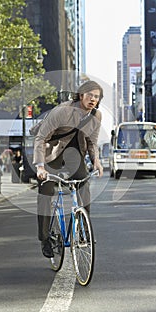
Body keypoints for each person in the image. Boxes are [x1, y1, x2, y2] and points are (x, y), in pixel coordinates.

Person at [33, 80, 104, 258]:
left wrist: (96, 160)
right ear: (81, 95)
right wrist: (40, 167)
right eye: (90, 95)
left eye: (97, 96)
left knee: (84, 184)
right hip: (52, 152)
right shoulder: (62, 111)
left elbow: (92, 142)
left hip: (74, 154)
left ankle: (83, 228)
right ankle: (45, 238)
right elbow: (41, 138)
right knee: (46, 190)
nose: (93, 99)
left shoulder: (96, 116)